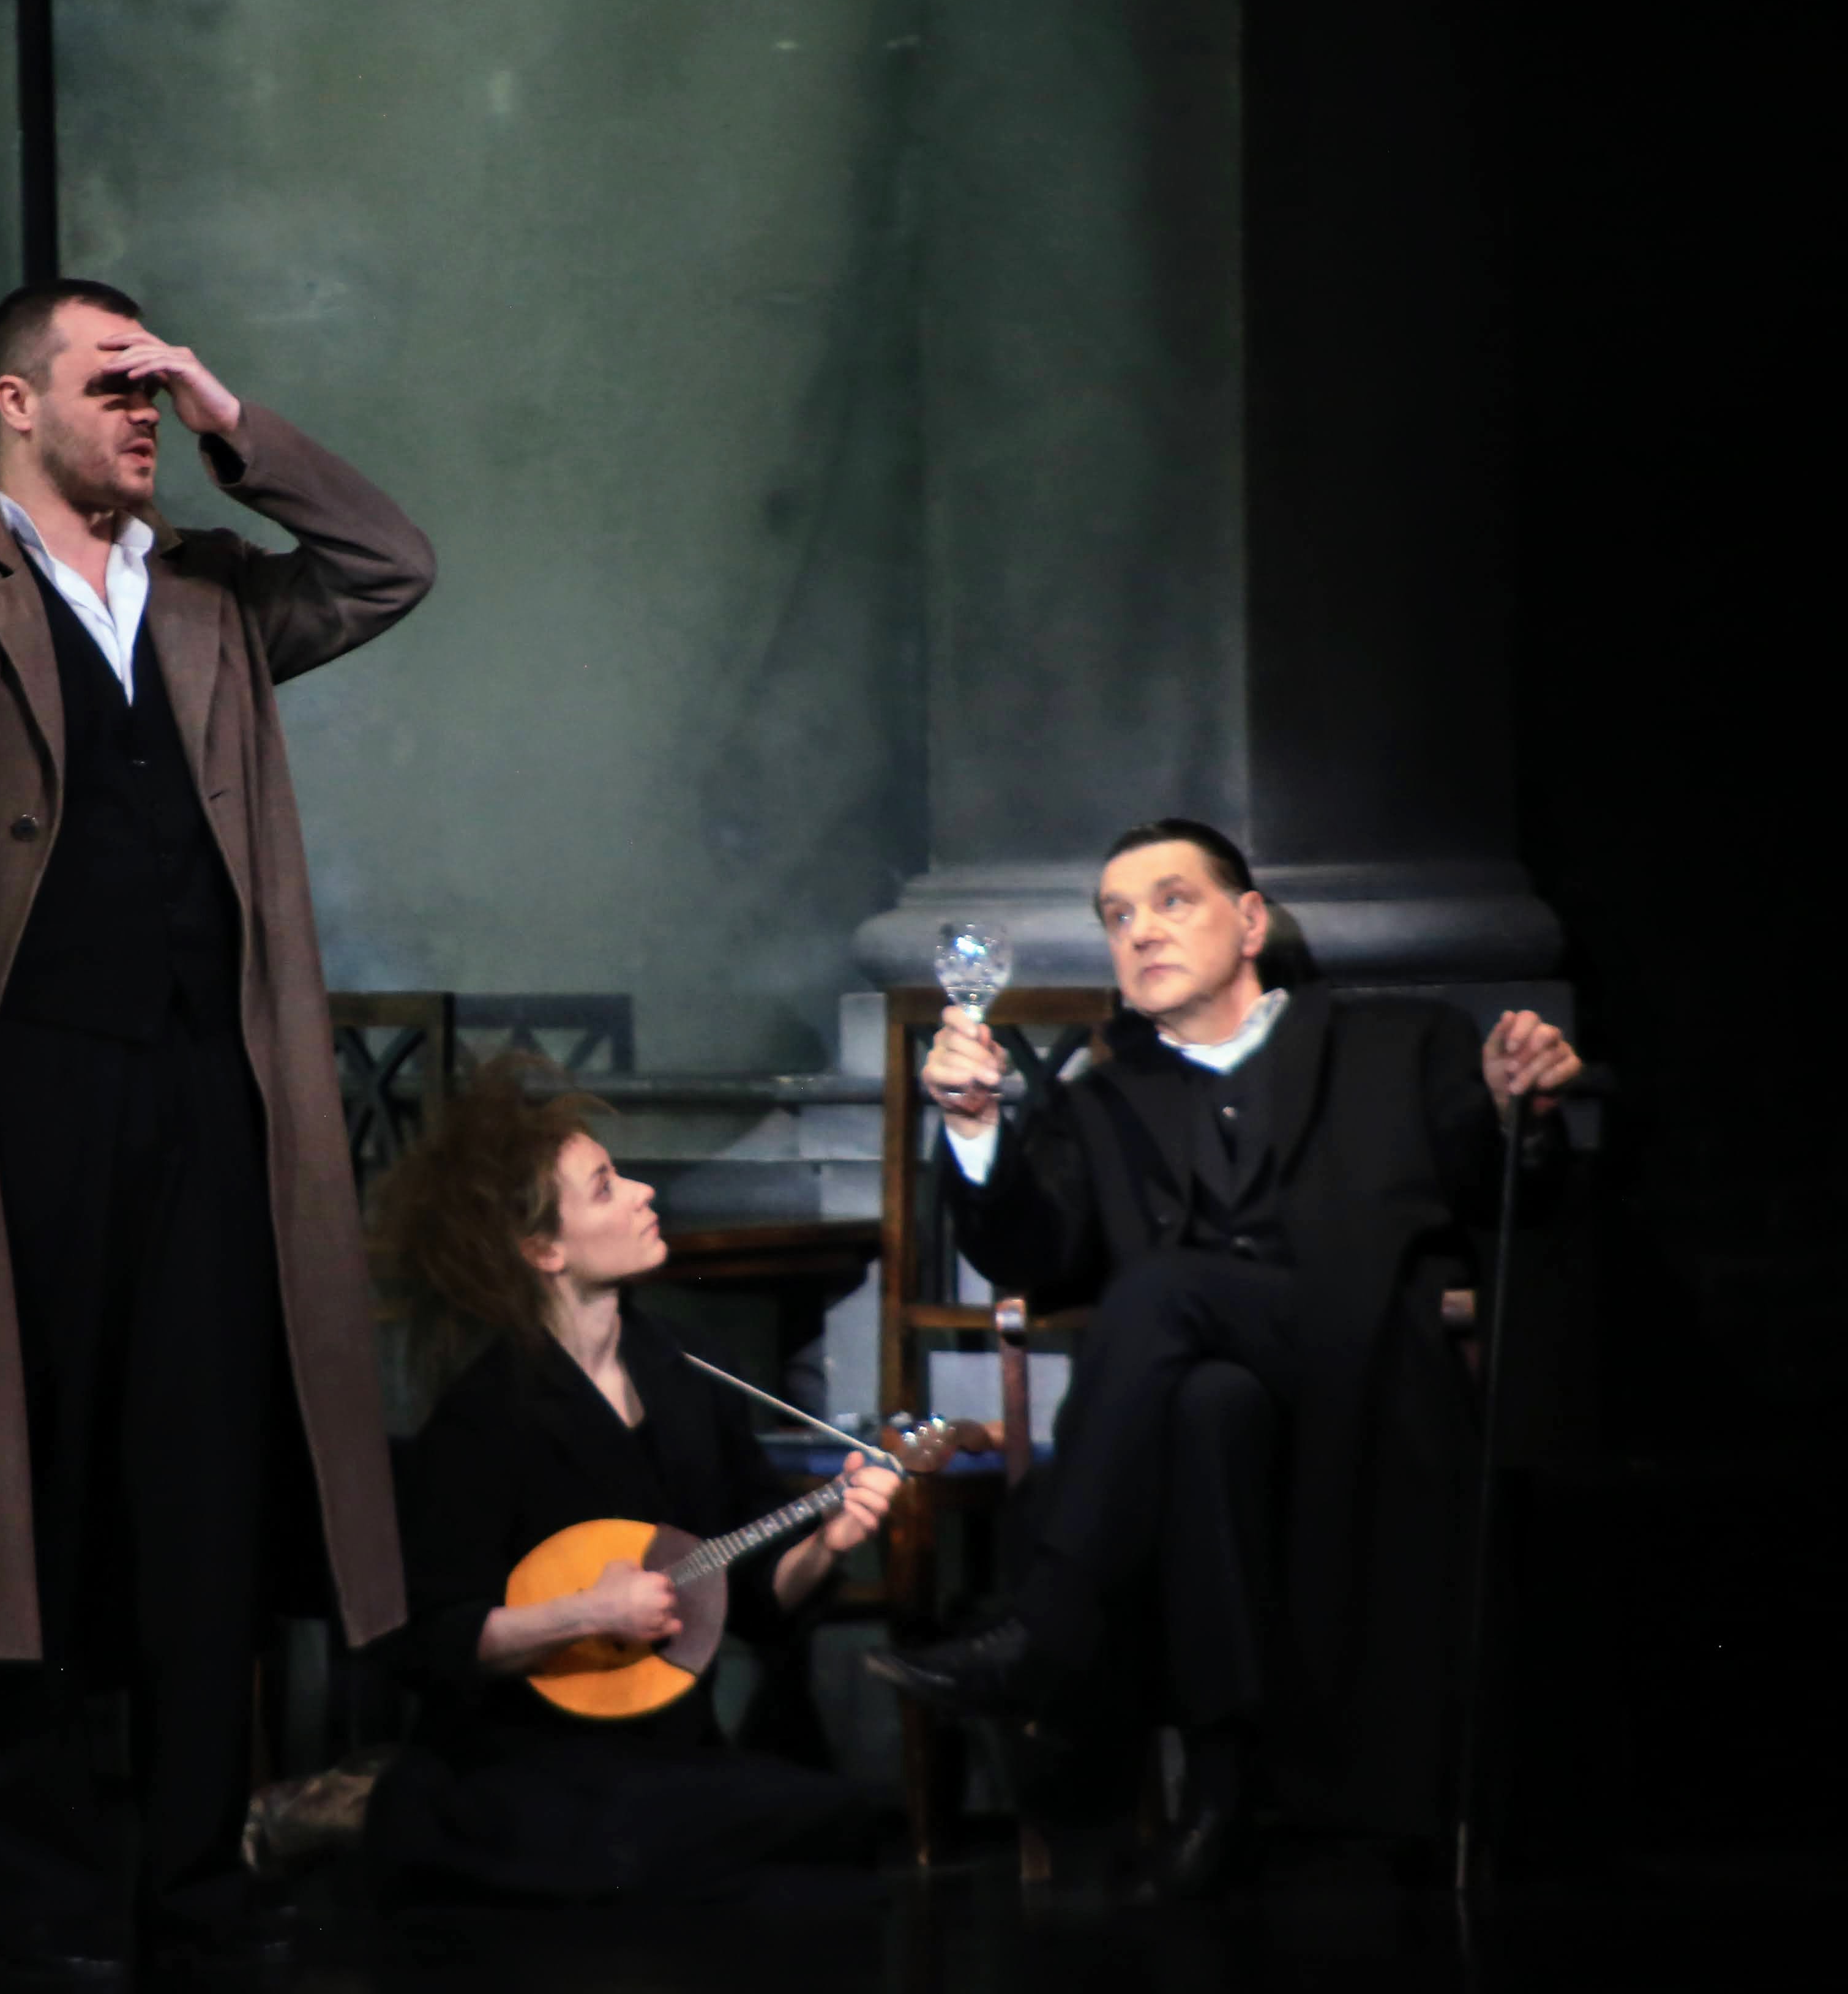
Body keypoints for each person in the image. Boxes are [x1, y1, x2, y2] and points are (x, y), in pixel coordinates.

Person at [0, 263, 435, 1982]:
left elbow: (388, 565)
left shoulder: (207, 593)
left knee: (197, 1507)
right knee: (11, 1511)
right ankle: (40, 1915)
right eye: (112, 383)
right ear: (13, 405)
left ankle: (195, 1891)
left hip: (207, 1098)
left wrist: (231, 420)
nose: (143, 410)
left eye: (154, 386)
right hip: (16, 1110)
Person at [868, 819, 1583, 1897]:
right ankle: (1220, 1796)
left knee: (1162, 1288)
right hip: (1216, 1406)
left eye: (1172, 901)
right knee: (1205, 1403)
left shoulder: (1396, 1042)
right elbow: (1033, 1257)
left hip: (1368, 1358)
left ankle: (1048, 1627)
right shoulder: (1101, 1099)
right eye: (1117, 916)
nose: (1140, 931)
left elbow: (1507, 1193)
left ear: (1249, 922)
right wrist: (973, 1129)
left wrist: (1515, 1110)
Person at [362, 1059, 900, 1927]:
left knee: (835, 1827)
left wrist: (824, 1544)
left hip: (666, 1748)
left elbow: (754, 1601)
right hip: (524, 1761)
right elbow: (433, 1638)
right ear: (544, 1250)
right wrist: (583, 1614)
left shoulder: (688, 1372)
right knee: (654, 1853)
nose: (646, 1193)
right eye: (607, 1188)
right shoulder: (485, 1411)